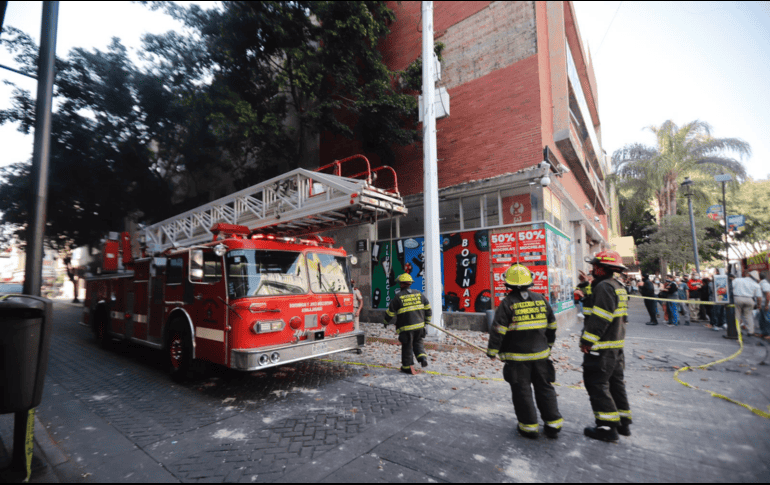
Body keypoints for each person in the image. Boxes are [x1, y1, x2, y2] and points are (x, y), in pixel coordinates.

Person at [487, 264, 562, 439]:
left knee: (522, 392)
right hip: (542, 357)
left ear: (508, 284)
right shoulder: (541, 299)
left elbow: (498, 330)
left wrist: (492, 351)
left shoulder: (507, 304)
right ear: (530, 281)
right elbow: (552, 326)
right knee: (545, 388)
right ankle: (553, 425)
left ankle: (529, 428)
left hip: (517, 360)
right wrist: (548, 346)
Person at [579, 250, 632, 442]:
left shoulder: (605, 288)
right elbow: (592, 308)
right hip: (615, 347)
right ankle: (623, 423)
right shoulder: (616, 285)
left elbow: (600, 317)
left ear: (602, 269)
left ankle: (607, 427)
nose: (592, 269)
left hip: (602, 348)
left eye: (595, 266)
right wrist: (585, 286)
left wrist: (587, 341)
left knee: (597, 384)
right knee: (615, 384)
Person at [383, 273, 432, 374]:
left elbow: (390, 312)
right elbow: (428, 309)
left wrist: (385, 322)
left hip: (406, 328)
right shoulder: (419, 294)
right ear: (410, 283)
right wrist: (426, 321)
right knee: (418, 342)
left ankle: (407, 367)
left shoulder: (398, 297)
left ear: (400, 284)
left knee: (407, 346)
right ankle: (422, 358)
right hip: (419, 326)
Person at [732, 270, 762, 337]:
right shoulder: (756, 285)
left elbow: (730, 288)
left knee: (737, 315)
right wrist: (759, 305)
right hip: (749, 300)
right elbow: (759, 297)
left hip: (737, 298)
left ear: (748, 275)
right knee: (748, 316)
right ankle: (750, 331)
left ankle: (737, 330)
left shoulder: (737, 280)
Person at [758, 272, 770, 340]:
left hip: (766, 305)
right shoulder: (761, 284)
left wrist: (766, 305)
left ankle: (769, 334)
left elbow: (768, 295)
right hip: (763, 305)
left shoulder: (765, 284)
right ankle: (764, 333)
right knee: (761, 319)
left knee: (767, 320)